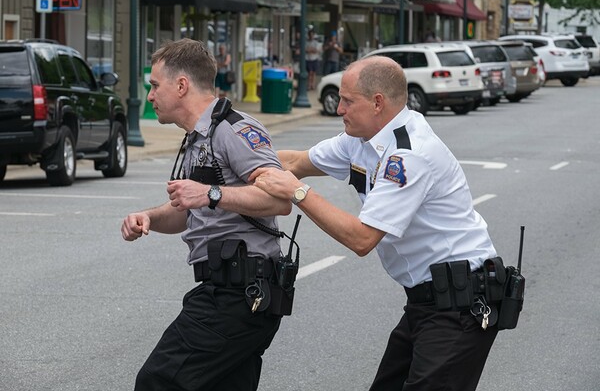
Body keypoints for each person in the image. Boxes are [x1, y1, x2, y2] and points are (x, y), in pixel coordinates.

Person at [249, 55, 501, 391]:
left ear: (377, 102)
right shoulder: (361, 139)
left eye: (348, 101)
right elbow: (295, 161)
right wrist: (230, 162)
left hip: (460, 306)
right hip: (427, 303)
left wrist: (297, 192)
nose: (339, 109)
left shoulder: (409, 154)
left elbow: (362, 239)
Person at [121, 38, 292, 391]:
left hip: (239, 295)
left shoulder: (234, 129)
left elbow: (280, 200)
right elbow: (189, 211)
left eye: (154, 85)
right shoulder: (199, 137)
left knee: (158, 381)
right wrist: (150, 217)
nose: (150, 95)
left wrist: (211, 193)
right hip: (228, 290)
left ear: (181, 85)